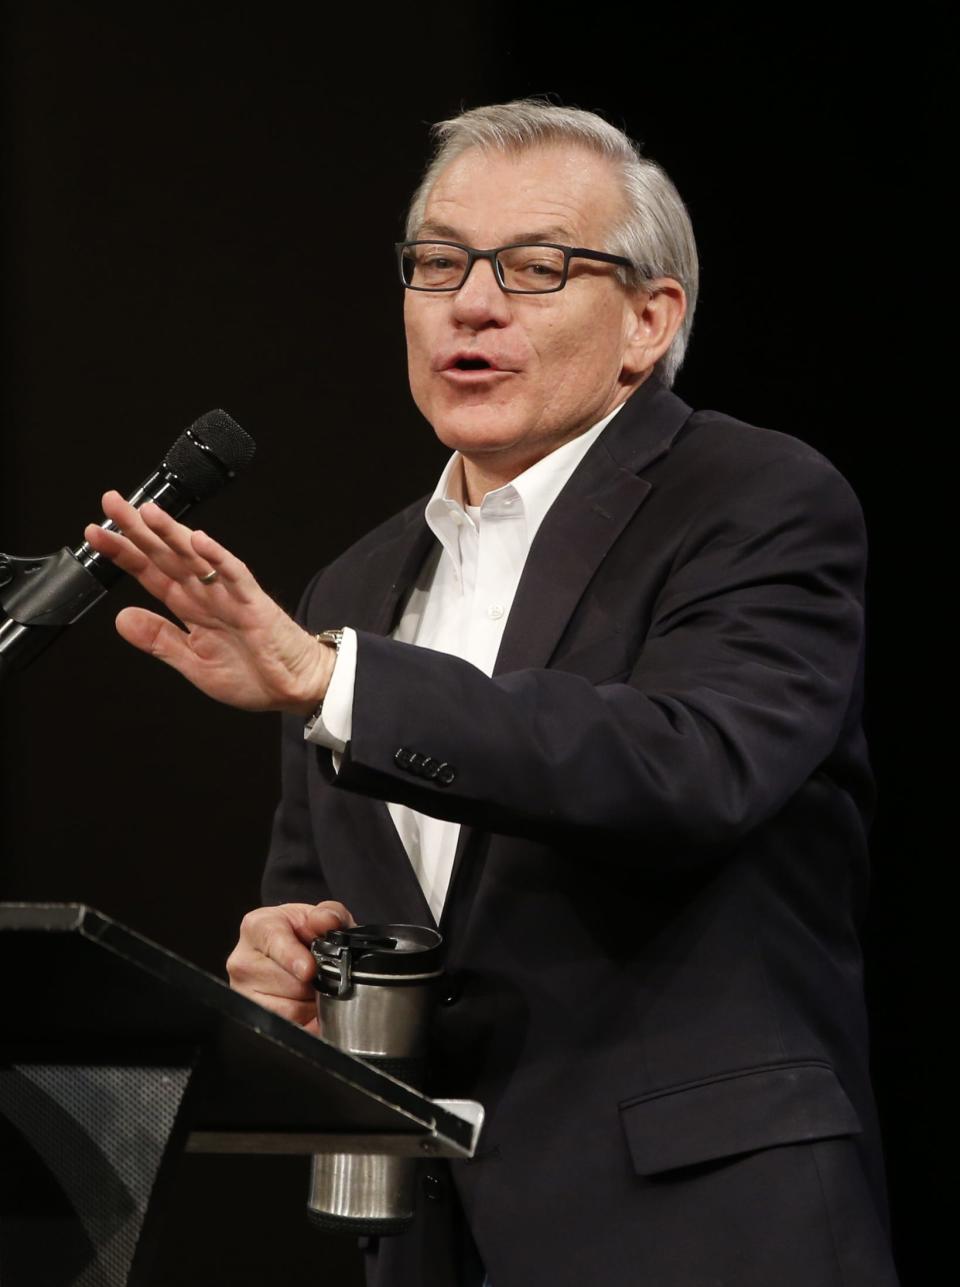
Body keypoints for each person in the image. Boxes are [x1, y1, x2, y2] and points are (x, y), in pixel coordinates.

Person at [84, 101, 899, 1287]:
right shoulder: (359, 579)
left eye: (536, 268)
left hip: (699, 1224)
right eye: (438, 264)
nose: (472, 303)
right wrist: (289, 965)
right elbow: (323, 895)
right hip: (432, 1237)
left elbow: (690, 765)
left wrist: (332, 677)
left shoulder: (754, 498)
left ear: (648, 320)